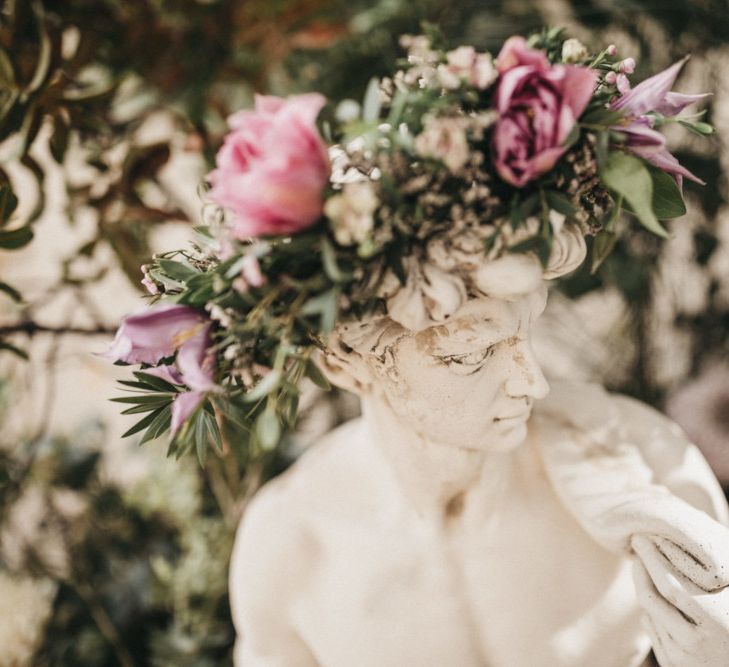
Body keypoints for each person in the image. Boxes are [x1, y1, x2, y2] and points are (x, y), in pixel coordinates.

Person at [229, 221, 729, 666]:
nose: (532, 382)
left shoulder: (645, 463)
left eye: (525, 331)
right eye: (470, 353)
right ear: (345, 365)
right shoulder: (291, 547)